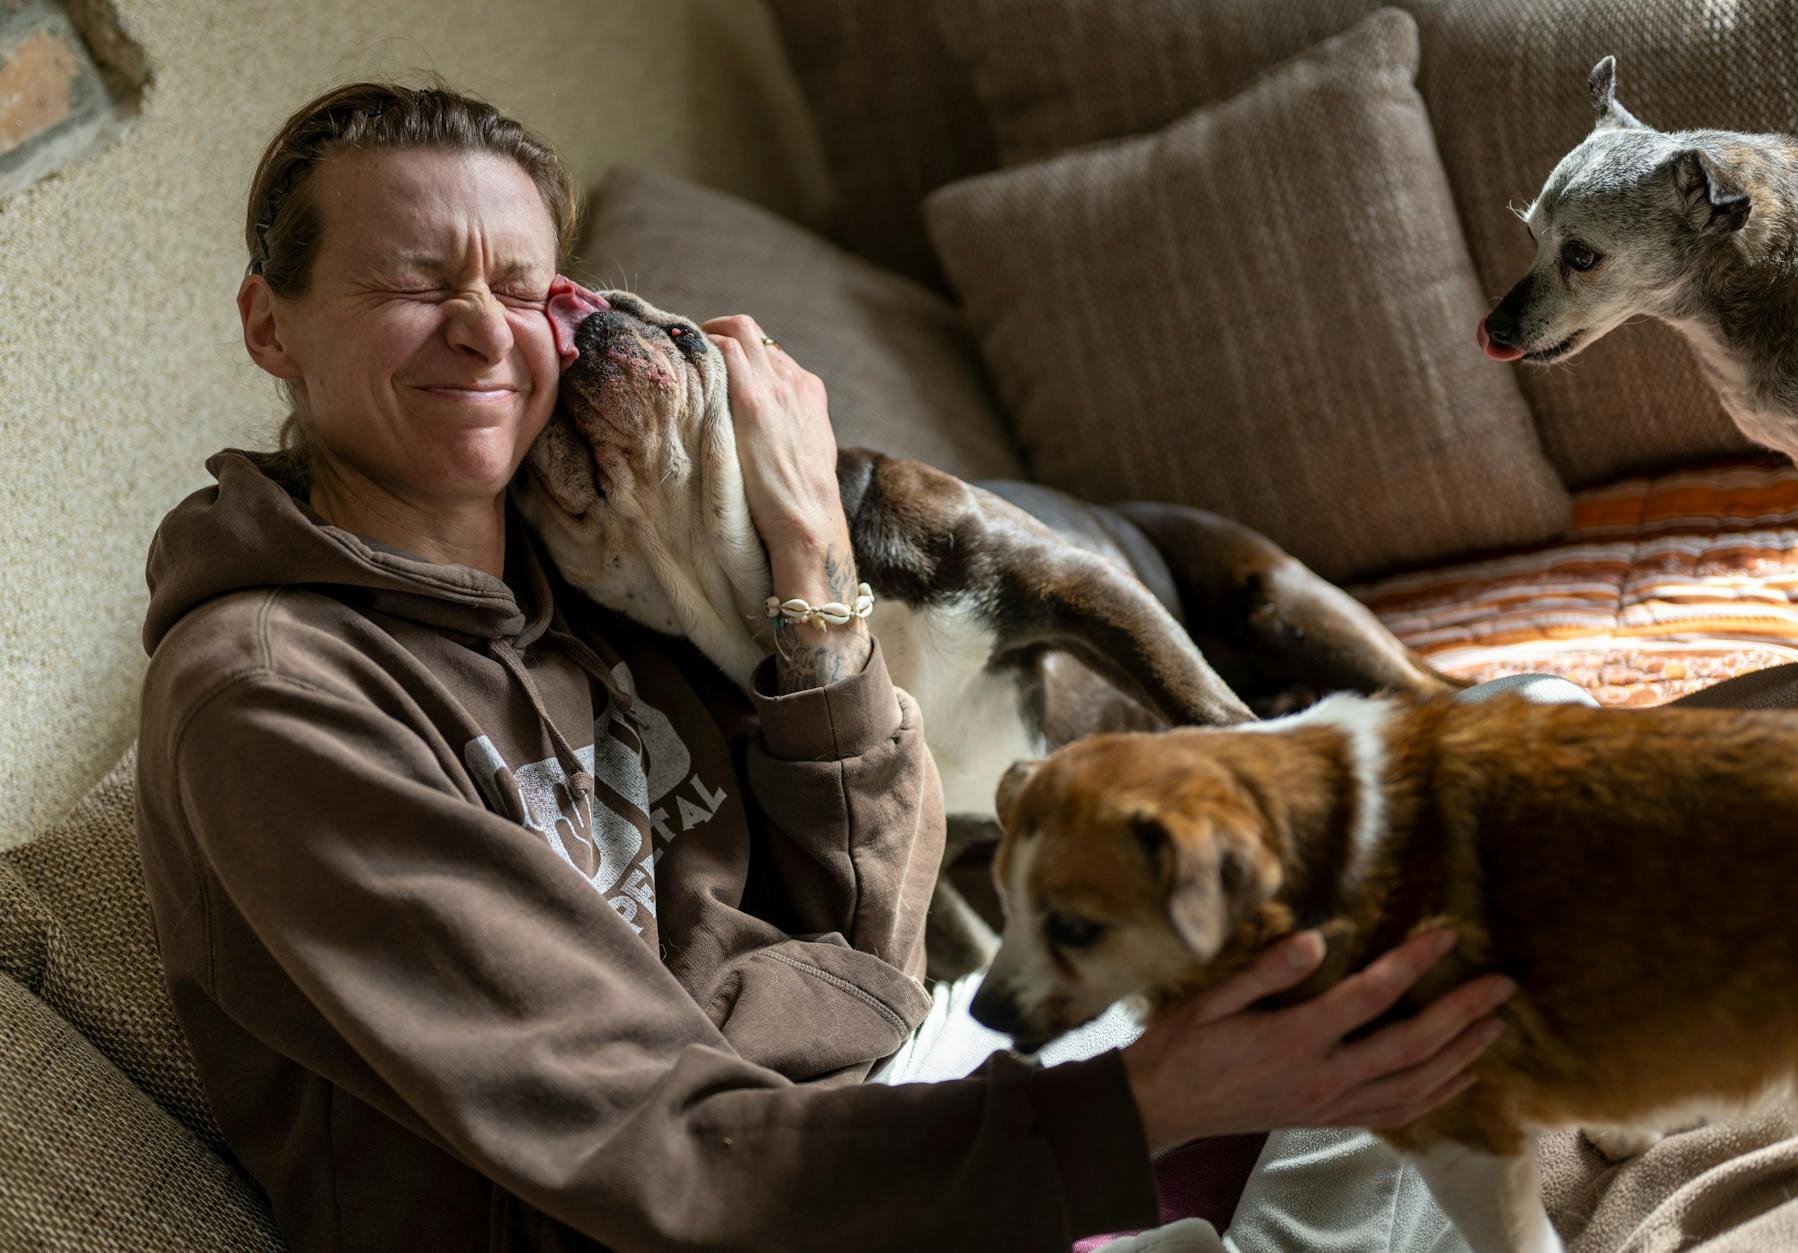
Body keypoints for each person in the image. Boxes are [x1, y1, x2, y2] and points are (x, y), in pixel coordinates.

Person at [133, 81, 1516, 1253]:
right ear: (271, 325)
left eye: (515, 283)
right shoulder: (273, 695)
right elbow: (657, 1152)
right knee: (1428, 1043)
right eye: (411, 282)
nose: (484, 332)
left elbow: (870, 912)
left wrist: (808, 549)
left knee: (1513, 781)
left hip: (882, 1102)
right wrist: (1153, 1099)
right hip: (734, 1205)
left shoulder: (588, 566)